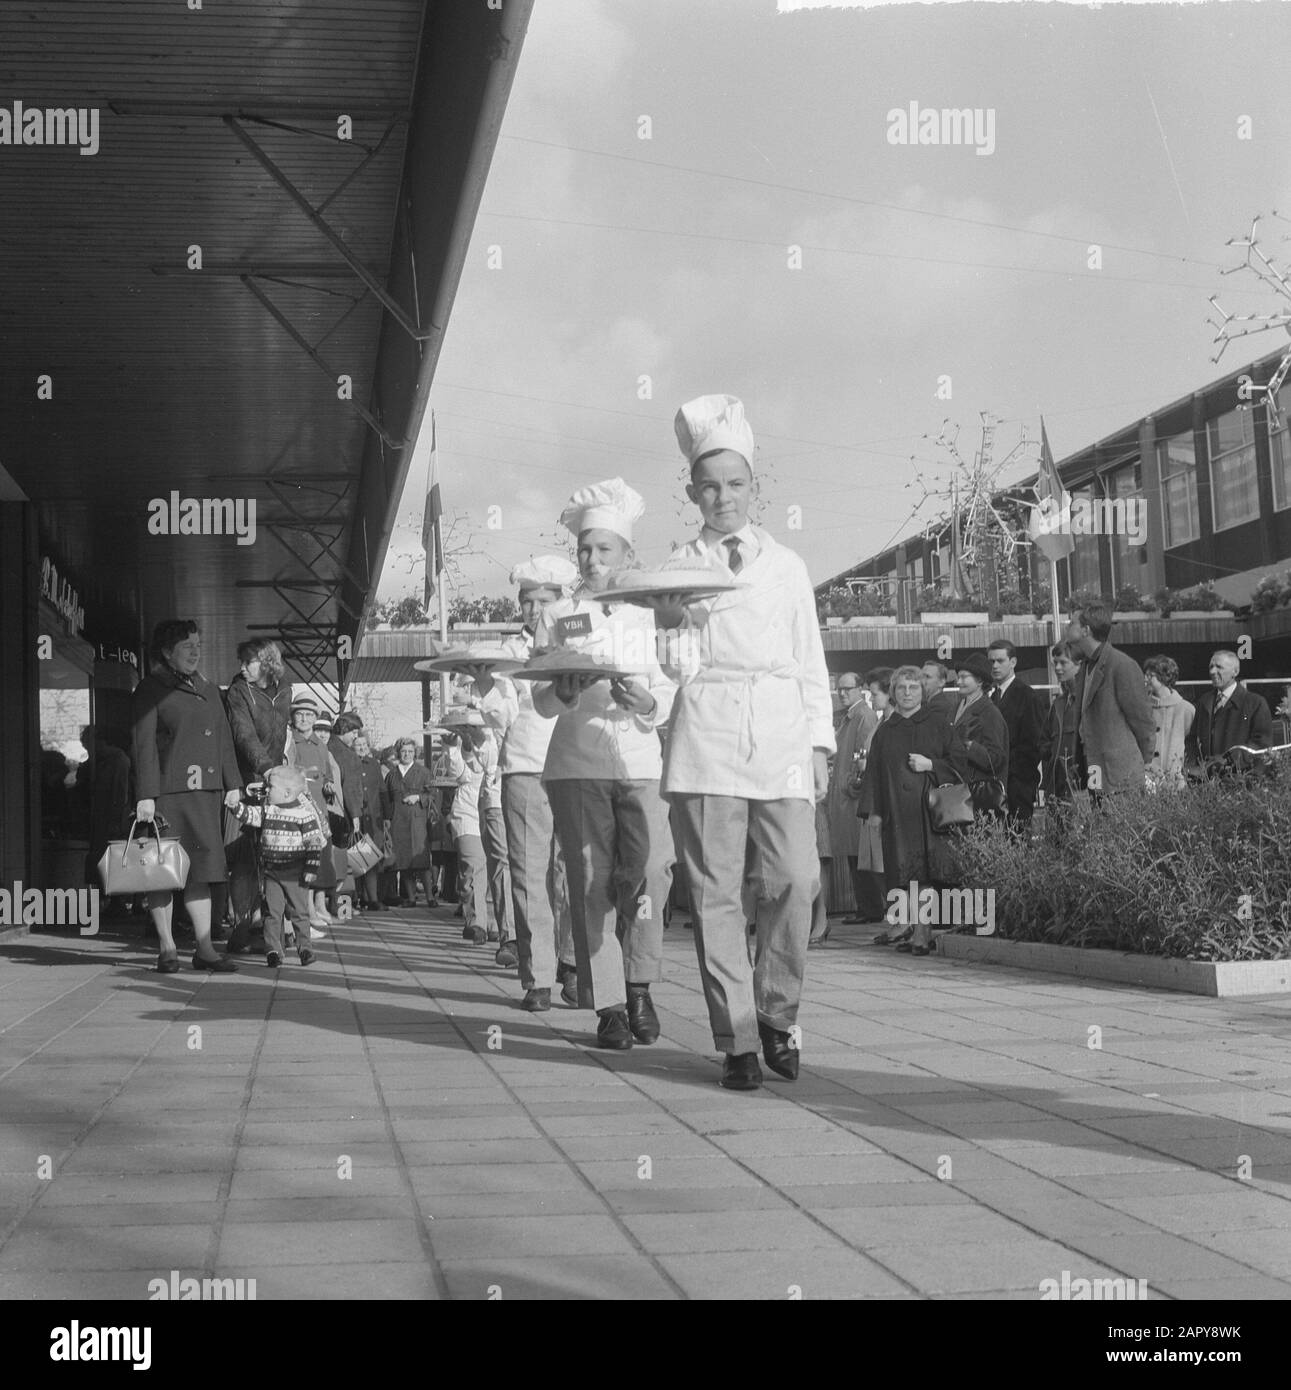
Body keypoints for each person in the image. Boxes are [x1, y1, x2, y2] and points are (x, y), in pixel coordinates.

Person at [652, 396, 832, 1092]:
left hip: (781, 730)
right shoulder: (676, 566)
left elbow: (810, 660)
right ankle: (736, 1039)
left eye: (735, 484)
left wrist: (818, 745)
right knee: (715, 894)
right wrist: (668, 624)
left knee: (794, 878)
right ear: (691, 491)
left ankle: (777, 1012)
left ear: (754, 488)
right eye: (708, 486)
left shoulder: (785, 565)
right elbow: (672, 669)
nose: (722, 497)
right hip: (706, 736)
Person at [533, 478, 676, 1051]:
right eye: (584, 550)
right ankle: (611, 1005)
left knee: (651, 875)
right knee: (590, 884)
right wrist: (564, 691)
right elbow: (539, 698)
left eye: (604, 549)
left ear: (628, 555)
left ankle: (640, 980)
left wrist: (647, 703)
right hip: (576, 764)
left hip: (641, 762)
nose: (591, 560)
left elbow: (671, 686)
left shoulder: (652, 612)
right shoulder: (562, 614)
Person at [468, 556, 581, 1006]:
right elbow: (504, 716)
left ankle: (572, 965)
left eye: (543, 601)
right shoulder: (508, 652)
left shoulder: (577, 642)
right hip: (524, 768)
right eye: (526, 601)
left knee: (570, 873)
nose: (532, 611)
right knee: (529, 874)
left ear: (562, 601)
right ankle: (538, 977)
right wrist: (486, 686)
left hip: (574, 765)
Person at [130, 619, 242, 973]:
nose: (196, 651)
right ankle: (167, 947)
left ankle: (205, 948)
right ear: (166, 652)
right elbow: (143, 744)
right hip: (167, 796)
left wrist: (233, 783)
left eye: (198, 644)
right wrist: (145, 795)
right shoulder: (151, 689)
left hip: (205, 796)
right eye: (186, 646)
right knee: (163, 872)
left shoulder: (209, 689)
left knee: (202, 871)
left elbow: (223, 738)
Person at [857, 665, 957, 958]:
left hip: (927, 811)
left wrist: (932, 766)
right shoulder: (885, 730)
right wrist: (873, 813)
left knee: (924, 873)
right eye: (902, 688)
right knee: (902, 875)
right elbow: (874, 772)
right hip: (895, 813)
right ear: (893, 693)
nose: (908, 693)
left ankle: (923, 933)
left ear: (922, 692)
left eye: (914, 688)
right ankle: (915, 928)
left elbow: (960, 760)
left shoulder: (938, 723)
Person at [223, 639, 291, 953]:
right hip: (245, 779)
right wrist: (264, 768)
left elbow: (281, 736)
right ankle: (241, 927)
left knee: (276, 855)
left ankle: (276, 925)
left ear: (265, 663)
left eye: (247, 662)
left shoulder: (284, 690)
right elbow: (243, 734)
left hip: (273, 782)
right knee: (243, 858)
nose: (241, 668)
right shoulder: (238, 691)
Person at [227, 765, 328, 968]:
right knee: (272, 912)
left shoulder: (304, 815)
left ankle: (305, 948)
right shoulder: (268, 809)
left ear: (287, 792)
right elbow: (249, 815)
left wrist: (311, 869)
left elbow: (314, 844)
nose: (266, 791)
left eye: (270, 787)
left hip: (296, 873)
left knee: (299, 912)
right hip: (272, 871)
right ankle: (273, 949)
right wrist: (234, 806)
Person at [1063, 601, 1155, 796]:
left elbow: (1143, 721)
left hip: (1123, 779)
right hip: (1095, 772)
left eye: (1071, 623)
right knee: (1099, 823)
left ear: (1085, 630)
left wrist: (1144, 765)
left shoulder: (1121, 665)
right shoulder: (1085, 667)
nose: (1067, 627)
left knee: (1121, 826)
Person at [824, 672, 885, 929]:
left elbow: (863, 759)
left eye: (848, 688)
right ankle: (866, 906)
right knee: (853, 855)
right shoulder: (852, 716)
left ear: (861, 689)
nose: (842, 693)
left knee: (859, 855)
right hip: (846, 795)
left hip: (852, 797)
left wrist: (850, 784)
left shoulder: (862, 716)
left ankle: (870, 907)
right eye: (839, 689)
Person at [285, 695, 342, 927]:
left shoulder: (321, 744)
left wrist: (328, 783)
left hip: (321, 809)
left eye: (309, 715)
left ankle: (319, 907)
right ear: (293, 717)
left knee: (321, 859)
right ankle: (306, 911)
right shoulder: (290, 741)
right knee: (305, 860)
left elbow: (327, 774)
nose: (305, 719)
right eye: (300, 714)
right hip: (301, 808)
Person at [440, 709, 492, 944]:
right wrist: (453, 748)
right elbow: (459, 774)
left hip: (495, 811)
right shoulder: (462, 741)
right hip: (468, 816)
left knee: (496, 870)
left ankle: (494, 922)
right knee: (473, 867)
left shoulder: (500, 735)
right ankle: (476, 922)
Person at [986, 640, 1044, 830]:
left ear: (1013, 662)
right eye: (991, 661)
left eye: (1000, 661)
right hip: (998, 784)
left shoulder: (1027, 696)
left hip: (1018, 784)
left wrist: (1015, 775)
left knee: (1017, 840)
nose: (995, 666)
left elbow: (1034, 744)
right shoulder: (993, 697)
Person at [1186, 649, 1272, 773]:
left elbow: (1261, 745)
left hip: (1239, 779)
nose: (1212, 671)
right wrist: (1192, 766)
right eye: (1211, 666)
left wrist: (1227, 760)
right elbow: (1192, 740)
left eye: (1219, 667)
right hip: (1205, 782)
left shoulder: (1255, 703)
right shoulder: (1204, 702)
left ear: (1235, 672)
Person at [948, 652, 1010, 816]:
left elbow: (996, 759)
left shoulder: (989, 713)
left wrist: (968, 746)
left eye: (964, 677)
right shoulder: (955, 708)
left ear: (980, 681)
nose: (958, 681)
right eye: (958, 677)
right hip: (958, 794)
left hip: (977, 799)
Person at [382, 735, 439, 907]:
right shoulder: (392, 774)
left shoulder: (423, 772)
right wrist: (387, 819)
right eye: (404, 751)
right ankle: (411, 898)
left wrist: (419, 797)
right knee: (403, 860)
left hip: (417, 820)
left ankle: (430, 897)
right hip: (398, 820)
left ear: (415, 753)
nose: (407, 754)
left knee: (421, 861)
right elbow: (387, 799)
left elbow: (433, 794)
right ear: (398, 753)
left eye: (410, 751)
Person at [1040, 641, 1083, 807]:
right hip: (1056, 789)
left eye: (1063, 663)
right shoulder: (1058, 704)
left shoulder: (1087, 703)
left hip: (1081, 790)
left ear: (1079, 665)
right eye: (1055, 663)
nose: (1057, 668)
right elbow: (1044, 743)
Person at [1143, 655, 1195, 790]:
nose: (1145, 679)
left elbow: (1192, 747)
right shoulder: (1142, 708)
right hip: (1147, 782)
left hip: (1175, 783)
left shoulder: (1186, 709)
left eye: (1150, 676)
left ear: (1164, 678)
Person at [353, 732, 388, 911]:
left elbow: (382, 791)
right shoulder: (350, 763)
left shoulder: (374, 765)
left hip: (374, 817)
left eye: (364, 745)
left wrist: (387, 816)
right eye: (358, 744)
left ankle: (372, 899)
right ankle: (357, 899)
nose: (361, 748)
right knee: (356, 859)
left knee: (371, 858)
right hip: (355, 817)